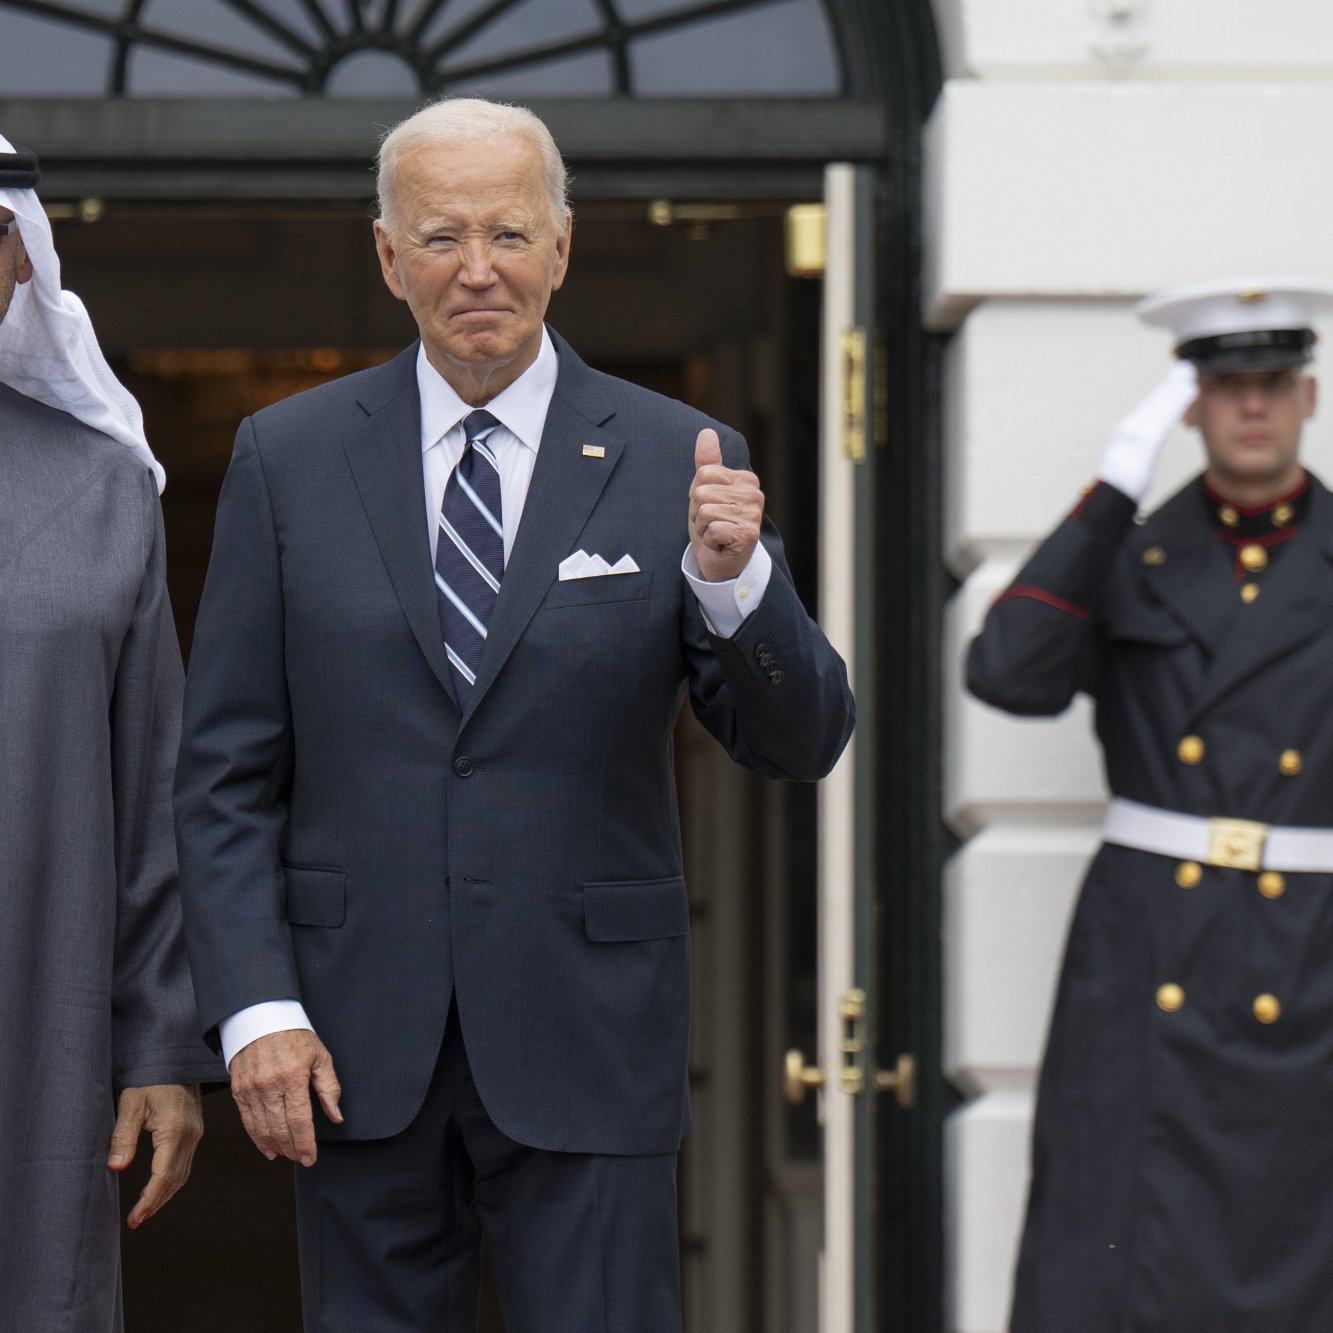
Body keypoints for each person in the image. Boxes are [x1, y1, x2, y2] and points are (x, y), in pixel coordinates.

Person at [174, 96, 853, 1332]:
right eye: (439, 238)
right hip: (345, 1048)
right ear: (387, 257)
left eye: (507, 233)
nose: (476, 268)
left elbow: (801, 741)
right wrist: (256, 1008)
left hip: (589, 1040)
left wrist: (731, 582)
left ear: (562, 246)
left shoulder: (676, 455)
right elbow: (222, 772)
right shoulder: (290, 455)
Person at [967, 277, 1333, 1331]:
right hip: (1149, 945)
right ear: (1190, 404)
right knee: (1118, 1238)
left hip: (1308, 951)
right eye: (1224, 385)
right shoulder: (1133, 552)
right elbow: (1005, 671)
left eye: (1270, 381)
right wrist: (1109, 494)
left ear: (1305, 396)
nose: (1250, 405)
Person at [0, 136, 221, 1332]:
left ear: (21, 266)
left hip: (38, 1025)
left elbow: (157, 793)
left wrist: (160, 1047)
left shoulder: (102, 489)